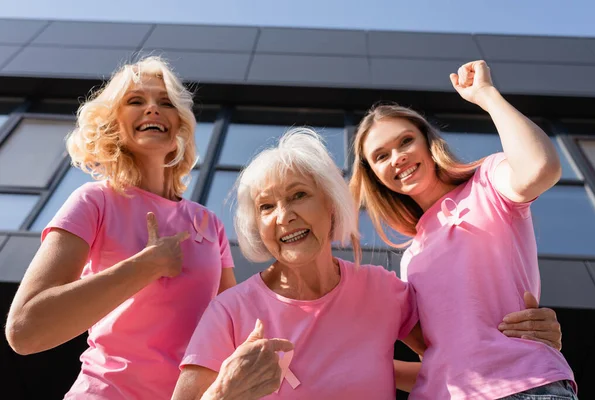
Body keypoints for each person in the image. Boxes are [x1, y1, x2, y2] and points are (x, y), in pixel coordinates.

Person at [171, 128, 565, 400]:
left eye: (298, 195)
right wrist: (225, 392)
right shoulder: (229, 310)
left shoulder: (384, 290)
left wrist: (528, 336)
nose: (283, 215)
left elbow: (456, 354)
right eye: (266, 207)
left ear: (330, 205)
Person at [5, 56, 236, 399]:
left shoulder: (209, 223)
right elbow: (24, 329)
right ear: (114, 123)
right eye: (136, 101)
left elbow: (234, 330)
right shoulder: (94, 201)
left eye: (166, 102)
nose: (153, 109)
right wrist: (146, 266)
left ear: (179, 129)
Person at [349, 60, 576, 399]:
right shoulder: (411, 257)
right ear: (375, 175)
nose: (396, 157)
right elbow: (442, 360)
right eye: (381, 156)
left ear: (427, 142)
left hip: (525, 385)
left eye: (406, 141)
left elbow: (541, 168)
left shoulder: (489, 181)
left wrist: (486, 95)